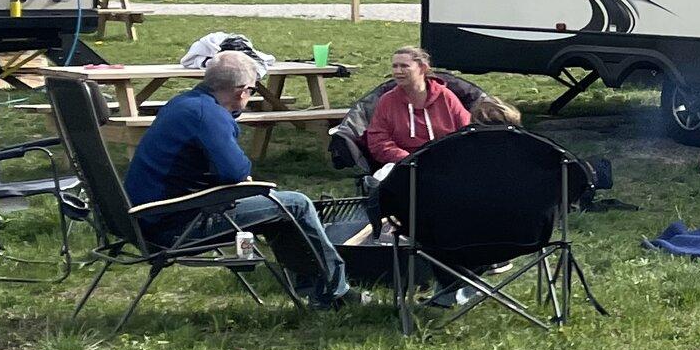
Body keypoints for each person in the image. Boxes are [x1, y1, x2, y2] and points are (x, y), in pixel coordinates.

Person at [124, 51, 355, 309]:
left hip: (141, 219)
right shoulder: (208, 116)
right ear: (242, 91)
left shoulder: (183, 103)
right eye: (253, 91)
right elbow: (235, 172)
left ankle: (317, 288)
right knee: (296, 204)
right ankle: (335, 291)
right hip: (175, 227)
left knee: (277, 211)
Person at [364, 46, 471, 172]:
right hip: (404, 166)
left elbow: (467, 131)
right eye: (395, 66)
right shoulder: (387, 101)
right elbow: (378, 142)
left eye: (404, 66)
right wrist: (408, 159)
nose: (398, 71)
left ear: (423, 68)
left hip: (446, 162)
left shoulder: (446, 96)